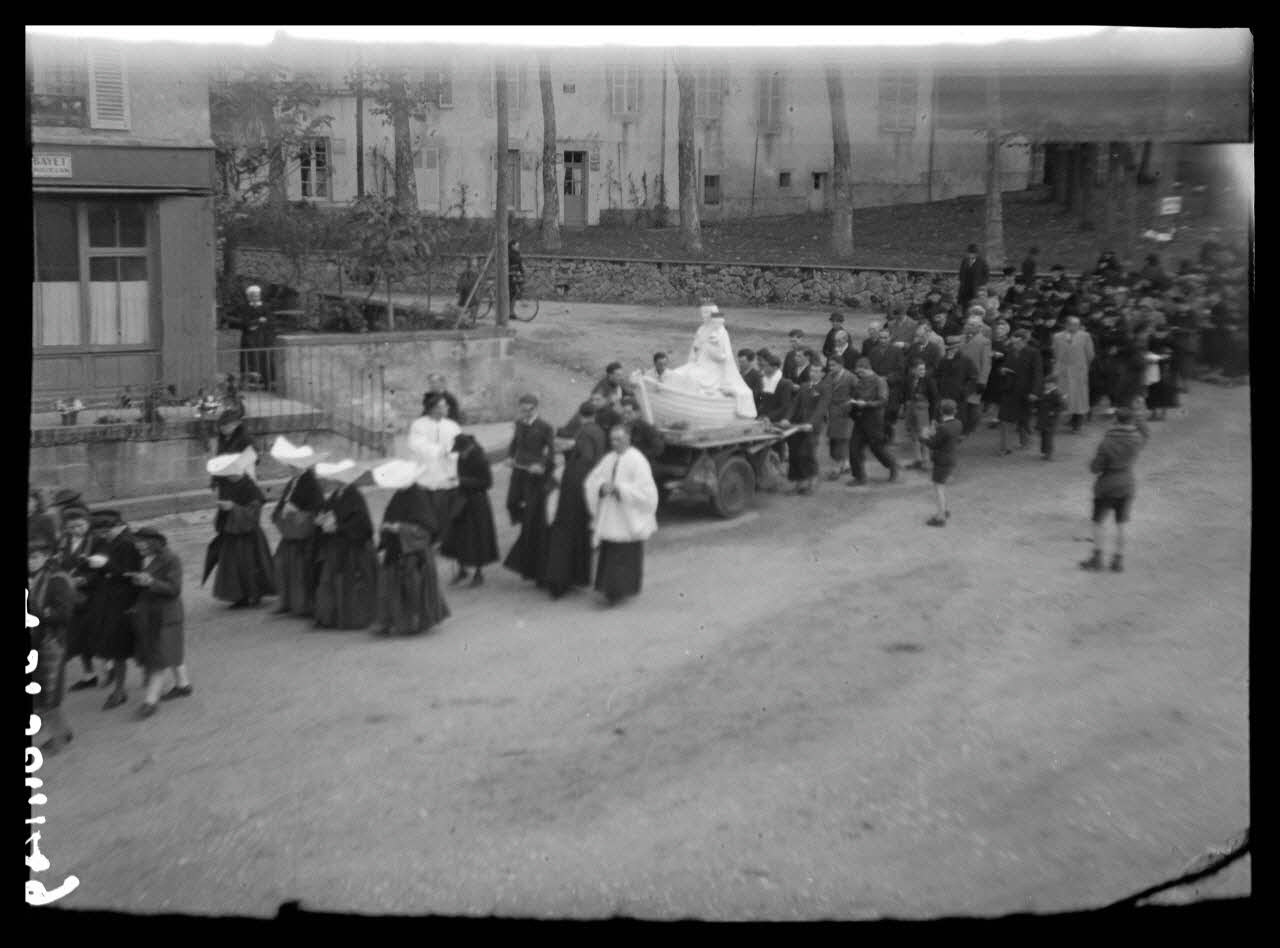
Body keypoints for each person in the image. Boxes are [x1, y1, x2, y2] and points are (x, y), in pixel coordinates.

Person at [584, 424, 659, 606]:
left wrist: (620, 489)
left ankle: (621, 590)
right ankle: (608, 589)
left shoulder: (637, 460)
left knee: (624, 555)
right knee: (610, 552)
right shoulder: (609, 458)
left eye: (618, 439)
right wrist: (601, 487)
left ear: (628, 439)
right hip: (611, 515)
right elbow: (593, 480)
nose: (614, 443)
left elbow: (647, 492)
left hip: (627, 518)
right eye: (612, 440)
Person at [373, 459, 450, 636]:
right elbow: (389, 516)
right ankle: (391, 621)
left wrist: (399, 528)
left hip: (414, 552)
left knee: (413, 588)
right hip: (397, 548)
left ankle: (415, 622)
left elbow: (427, 528)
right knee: (391, 586)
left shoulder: (418, 497)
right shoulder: (399, 495)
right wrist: (386, 529)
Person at [542, 401, 607, 599]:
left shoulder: (584, 433)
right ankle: (577, 576)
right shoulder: (599, 431)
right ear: (594, 415)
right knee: (581, 530)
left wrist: (569, 461)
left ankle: (557, 580)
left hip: (576, 485)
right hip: (592, 483)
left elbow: (586, 457)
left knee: (563, 532)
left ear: (580, 415)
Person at [129, 527, 193, 718]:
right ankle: (183, 685)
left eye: (142, 545)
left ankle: (150, 701)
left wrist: (150, 582)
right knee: (171, 650)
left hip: (167, 614)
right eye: (137, 545)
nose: (139, 548)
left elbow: (174, 589)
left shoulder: (171, 559)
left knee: (158, 658)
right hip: (151, 613)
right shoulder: (143, 558)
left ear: (154, 543)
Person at [311, 460, 378, 629]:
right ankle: (329, 616)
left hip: (353, 549)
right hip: (336, 546)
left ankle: (351, 617)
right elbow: (326, 510)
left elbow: (361, 524)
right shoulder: (336, 495)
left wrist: (338, 527)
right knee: (329, 581)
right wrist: (321, 519)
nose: (334, 480)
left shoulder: (355, 496)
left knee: (350, 583)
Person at [1081, 407, 1149, 573]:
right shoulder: (1137, 439)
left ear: (1116, 420)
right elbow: (1146, 434)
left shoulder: (1107, 442)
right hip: (1127, 483)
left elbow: (1095, 468)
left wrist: (1092, 463)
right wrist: (1139, 418)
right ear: (1131, 421)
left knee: (1098, 522)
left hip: (1107, 485)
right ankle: (1118, 560)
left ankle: (1097, 559)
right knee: (1121, 524)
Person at [206, 450, 276, 609]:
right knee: (233, 567)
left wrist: (233, 508)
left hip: (249, 535)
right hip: (231, 533)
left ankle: (254, 594)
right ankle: (239, 596)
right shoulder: (226, 485)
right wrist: (223, 509)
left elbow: (254, 513)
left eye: (230, 474)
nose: (229, 477)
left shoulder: (250, 487)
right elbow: (224, 506)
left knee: (250, 565)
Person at [86, 510, 141, 710]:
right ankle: (117, 681)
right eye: (99, 532)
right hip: (108, 598)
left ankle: (120, 690)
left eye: (104, 531)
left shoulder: (127, 543)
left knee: (119, 646)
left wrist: (106, 565)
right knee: (111, 643)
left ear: (115, 526)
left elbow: (130, 573)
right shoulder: (108, 541)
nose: (102, 535)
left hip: (123, 600)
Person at [28, 530, 76, 753]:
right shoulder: (35, 578)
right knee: (42, 694)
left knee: (48, 694)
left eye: (34, 557)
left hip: (51, 642)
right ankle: (63, 731)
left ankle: (57, 740)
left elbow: (64, 614)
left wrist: (38, 613)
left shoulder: (57, 579)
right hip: (36, 641)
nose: (30, 562)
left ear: (46, 556)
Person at [269, 436, 327, 618]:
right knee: (281, 565)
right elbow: (283, 502)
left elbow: (317, 507)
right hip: (290, 533)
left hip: (305, 536)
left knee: (300, 570)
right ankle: (285, 601)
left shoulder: (311, 483)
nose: (292, 468)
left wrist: (297, 511)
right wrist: (280, 512)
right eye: (291, 466)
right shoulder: (292, 482)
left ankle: (302, 604)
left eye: (295, 466)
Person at [441, 433, 499, 587]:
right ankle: (462, 569)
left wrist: (462, 480)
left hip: (478, 502)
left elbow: (487, 483)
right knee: (458, 535)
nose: (460, 454)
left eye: (461, 451)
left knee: (477, 537)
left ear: (468, 448)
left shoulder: (480, 459)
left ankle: (479, 573)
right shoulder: (462, 457)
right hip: (462, 499)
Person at [57, 505, 104, 692]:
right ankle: (89, 674)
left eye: (80, 525)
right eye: (71, 527)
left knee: (97, 634)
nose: (76, 530)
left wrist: (84, 579)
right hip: (73, 597)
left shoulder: (96, 541)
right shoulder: (64, 541)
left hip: (93, 595)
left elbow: (104, 568)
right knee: (78, 636)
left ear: (88, 523)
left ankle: (109, 667)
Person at [409, 391, 464, 547]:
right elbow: (417, 445)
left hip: (446, 473)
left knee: (445, 508)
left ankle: (444, 540)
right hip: (426, 474)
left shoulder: (452, 426)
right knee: (427, 509)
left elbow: (460, 445)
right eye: (443, 405)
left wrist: (452, 453)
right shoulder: (419, 425)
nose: (447, 408)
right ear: (433, 408)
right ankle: (429, 538)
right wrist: (439, 450)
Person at [505, 393, 556, 527]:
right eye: (523, 410)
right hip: (518, 468)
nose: (526, 413)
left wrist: (541, 465)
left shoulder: (545, 427)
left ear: (536, 408)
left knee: (530, 504)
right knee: (511, 501)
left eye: (530, 409)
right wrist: (510, 456)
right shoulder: (519, 423)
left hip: (533, 471)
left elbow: (550, 450)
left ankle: (529, 527)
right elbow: (514, 443)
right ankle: (523, 520)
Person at [847, 358, 898, 485]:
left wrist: (866, 404)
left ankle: (892, 466)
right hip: (860, 419)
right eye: (858, 373)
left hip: (875, 420)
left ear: (868, 369)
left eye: (861, 372)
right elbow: (855, 395)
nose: (859, 375)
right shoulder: (860, 382)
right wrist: (852, 402)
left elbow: (883, 400)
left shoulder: (880, 381)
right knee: (853, 448)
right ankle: (859, 477)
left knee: (877, 449)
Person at [782, 350, 824, 495]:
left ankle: (812, 481)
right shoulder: (805, 386)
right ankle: (798, 483)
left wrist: (811, 423)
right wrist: (787, 418)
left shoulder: (825, 388)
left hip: (812, 427)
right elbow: (794, 405)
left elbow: (821, 408)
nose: (813, 374)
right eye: (812, 371)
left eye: (817, 371)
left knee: (807, 454)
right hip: (797, 425)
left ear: (822, 374)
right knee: (794, 454)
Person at [995, 328, 1043, 454]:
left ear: (1023, 341)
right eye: (1013, 341)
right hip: (1009, 390)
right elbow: (1002, 366)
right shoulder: (1010, 351)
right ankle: (1005, 447)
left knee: (1023, 419)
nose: (1014, 344)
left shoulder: (1033, 353)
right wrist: (1002, 370)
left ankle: (1025, 440)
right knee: (1004, 418)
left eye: (1016, 341)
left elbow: (1038, 374)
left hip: (1025, 392)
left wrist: (1035, 392)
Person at [225, 284, 278, 391]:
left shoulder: (266, 307)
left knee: (265, 359)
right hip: (249, 338)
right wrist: (251, 323)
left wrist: (263, 324)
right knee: (249, 360)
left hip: (264, 338)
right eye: (252, 295)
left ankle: (267, 384)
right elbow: (230, 319)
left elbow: (272, 322)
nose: (255, 297)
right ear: (248, 296)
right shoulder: (243, 307)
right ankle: (248, 384)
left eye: (257, 295)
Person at [921, 400, 963, 526]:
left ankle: (941, 517)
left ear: (941, 411)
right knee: (942, 486)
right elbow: (945, 434)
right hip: (951, 457)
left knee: (938, 487)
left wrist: (923, 436)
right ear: (955, 411)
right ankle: (943, 510)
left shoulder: (943, 428)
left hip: (942, 461)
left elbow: (933, 444)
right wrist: (937, 428)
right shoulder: (958, 423)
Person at [816, 352, 856, 480]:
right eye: (829, 365)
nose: (831, 368)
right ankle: (846, 464)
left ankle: (838, 468)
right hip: (832, 411)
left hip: (845, 412)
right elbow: (823, 388)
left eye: (833, 365)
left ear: (841, 365)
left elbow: (858, 391)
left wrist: (851, 403)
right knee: (836, 438)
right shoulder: (829, 376)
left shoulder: (850, 377)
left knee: (841, 439)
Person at [1052, 315, 1096, 433]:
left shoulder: (1085, 336)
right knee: (1062, 396)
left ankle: (1077, 424)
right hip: (1063, 371)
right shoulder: (1057, 336)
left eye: (1077, 324)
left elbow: (1090, 354)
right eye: (1072, 324)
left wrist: (1083, 366)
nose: (1075, 327)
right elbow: (1055, 353)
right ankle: (1058, 421)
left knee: (1079, 398)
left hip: (1079, 371)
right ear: (1066, 325)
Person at [869, 327, 906, 443]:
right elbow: (870, 369)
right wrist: (877, 379)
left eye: (885, 338)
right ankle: (879, 436)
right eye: (881, 338)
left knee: (891, 413)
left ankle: (889, 435)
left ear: (890, 338)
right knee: (877, 413)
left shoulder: (897, 351)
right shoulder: (873, 351)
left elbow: (901, 370)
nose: (883, 340)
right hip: (877, 387)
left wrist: (887, 378)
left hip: (892, 388)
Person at [902, 359, 940, 471]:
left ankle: (926, 461)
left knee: (924, 436)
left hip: (923, 411)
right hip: (911, 409)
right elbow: (905, 395)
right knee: (913, 435)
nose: (923, 371)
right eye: (920, 369)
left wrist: (933, 418)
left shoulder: (929, 381)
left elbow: (935, 400)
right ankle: (918, 460)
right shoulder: (908, 379)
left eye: (923, 369)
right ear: (913, 370)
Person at [958, 317, 992, 435]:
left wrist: (982, 381)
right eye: (968, 324)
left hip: (975, 379)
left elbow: (986, 364)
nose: (969, 326)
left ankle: (969, 429)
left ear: (979, 327)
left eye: (972, 325)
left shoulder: (984, 342)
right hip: (961, 376)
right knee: (962, 404)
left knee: (973, 406)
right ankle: (962, 429)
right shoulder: (962, 339)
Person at [211, 407, 257, 486]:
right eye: (221, 425)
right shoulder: (223, 439)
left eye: (225, 425)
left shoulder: (244, 438)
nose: (222, 428)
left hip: (243, 480)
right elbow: (219, 458)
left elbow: (255, 457)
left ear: (236, 425)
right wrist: (215, 479)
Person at [619, 396, 665, 463]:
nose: (625, 416)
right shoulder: (621, 428)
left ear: (637, 413)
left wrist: (639, 455)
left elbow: (658, 448)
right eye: (623, 413)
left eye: (629, 413)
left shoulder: (646, 428)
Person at [1036, 374, 1066, 460]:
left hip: (1052, 420)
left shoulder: (1057, 394)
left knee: (1049, 436)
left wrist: (1053, 412)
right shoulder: (1045, 392)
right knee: (1044, 435)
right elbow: (1041, 402)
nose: (1046, 385)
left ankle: (1049, 454)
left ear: (1054, 384)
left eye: (1048, 384)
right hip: (1044, 418)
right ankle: (1045, 452)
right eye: (1045, 383)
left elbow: (1062, 406)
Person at [958, 243, 990, 310]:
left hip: (975, 288)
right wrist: (962, 281)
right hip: (964, 288)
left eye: (973, 253)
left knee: (973, 305)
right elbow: (961, 273)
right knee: (963, 305)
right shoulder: (965, 261)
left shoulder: (982, 262)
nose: (970, 255)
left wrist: (979, 284)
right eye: (969, 253)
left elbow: (986, 275)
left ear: (976, 254)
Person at [456, 256, 481, 323]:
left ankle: (469, 318)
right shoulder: (466, 273)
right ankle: (465, 318)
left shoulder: (474, 272)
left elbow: (476, 281)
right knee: (465, 304)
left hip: (471, 292)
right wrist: (458, 290)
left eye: (476, 262)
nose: (475, 263)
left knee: (471, 304)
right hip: (466, 292)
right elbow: (461, 282)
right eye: (474, 262)